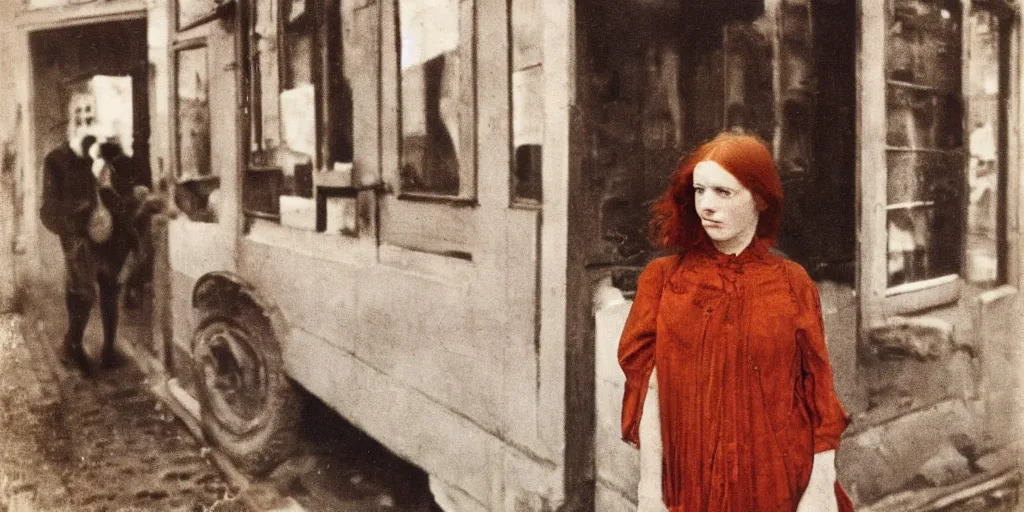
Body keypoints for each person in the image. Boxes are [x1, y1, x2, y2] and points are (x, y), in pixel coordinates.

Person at [618, 132, 853, 511]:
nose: (706, 206)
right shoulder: (663, 280)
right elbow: (651, 392)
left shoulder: (793, 283)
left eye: (723, 193)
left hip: (778, 484)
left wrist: (821, 483)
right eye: (699, 191)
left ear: (759, 199)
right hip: (693, 486)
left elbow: (818, 393)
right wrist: (649, 490)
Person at [40, 130, 138, 377]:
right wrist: (72, 228)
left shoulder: (95, 159)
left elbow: (102, 193)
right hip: (78, 239)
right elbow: (48, 210)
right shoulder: (56, 161)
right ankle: (71, 347)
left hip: (103, 235)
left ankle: (108, 349)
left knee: (110, 288)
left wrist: (116, 204)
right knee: (82, 294)